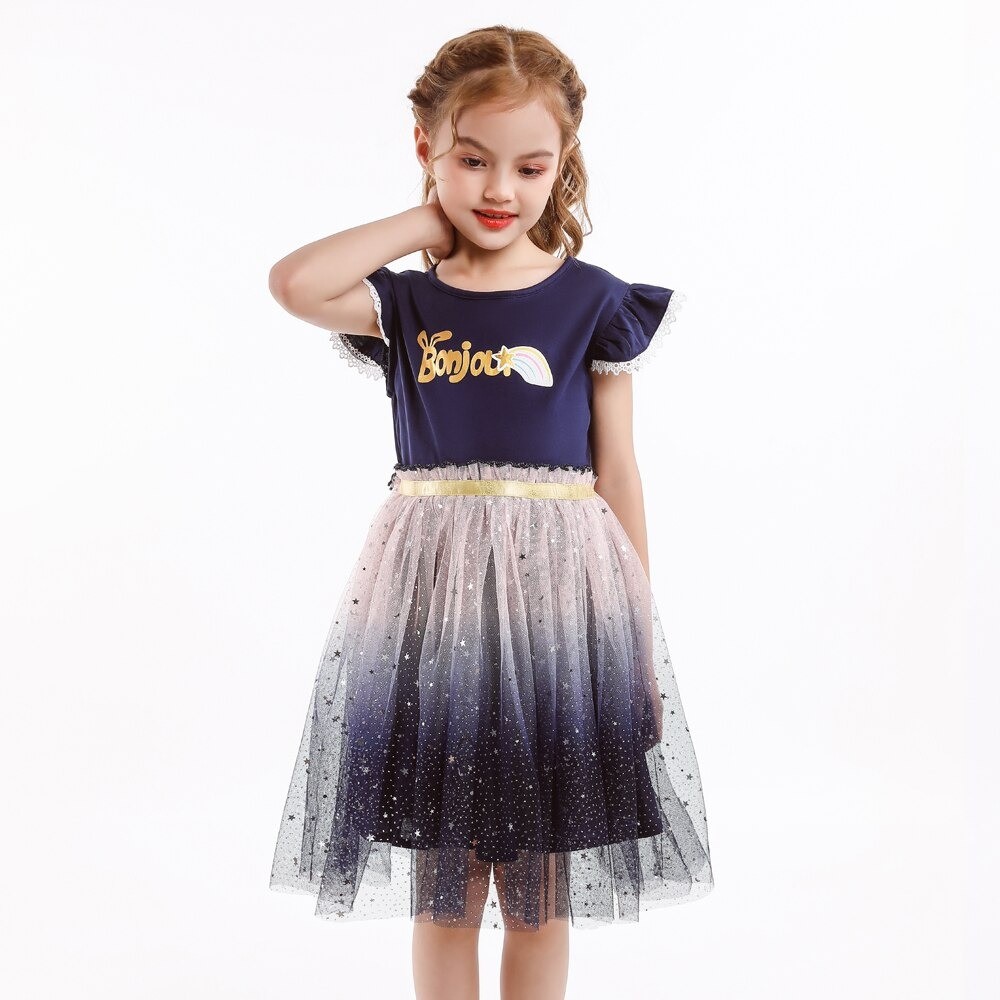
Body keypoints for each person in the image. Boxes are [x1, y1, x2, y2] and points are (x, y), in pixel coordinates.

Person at [267, 25, 714, 1000]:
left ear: (564, 162)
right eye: (472, 160)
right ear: (426, 148)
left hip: (558, 611)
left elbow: (618, 471)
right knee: (447, 885)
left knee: (538, 887)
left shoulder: (592, 302)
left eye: (530, 166)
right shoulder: (405, 304)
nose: (500, 189)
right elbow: (295, 284)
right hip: (432, 608)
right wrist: (424, 223)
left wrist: (632, 638)